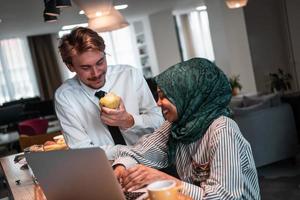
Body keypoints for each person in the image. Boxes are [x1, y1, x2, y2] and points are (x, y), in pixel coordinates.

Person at [113, 58, 260, 199]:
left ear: (188, 95)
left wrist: (165, 179)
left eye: (165, 96)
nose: (158, 103)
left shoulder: (222, 130)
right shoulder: (176, 126)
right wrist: (121, 166)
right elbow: (139, 152)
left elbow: (222, 196)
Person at [55, 27, 164, 159]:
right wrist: (132, 152)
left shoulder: (130, 75)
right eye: (86, 67)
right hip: (106, 168)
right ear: (70, 66)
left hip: (151, 161)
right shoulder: (65, 97)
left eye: (100, 62)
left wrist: (129, 121)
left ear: (105, 54)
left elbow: (159, 121)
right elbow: (81, 150)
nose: (96, 73)